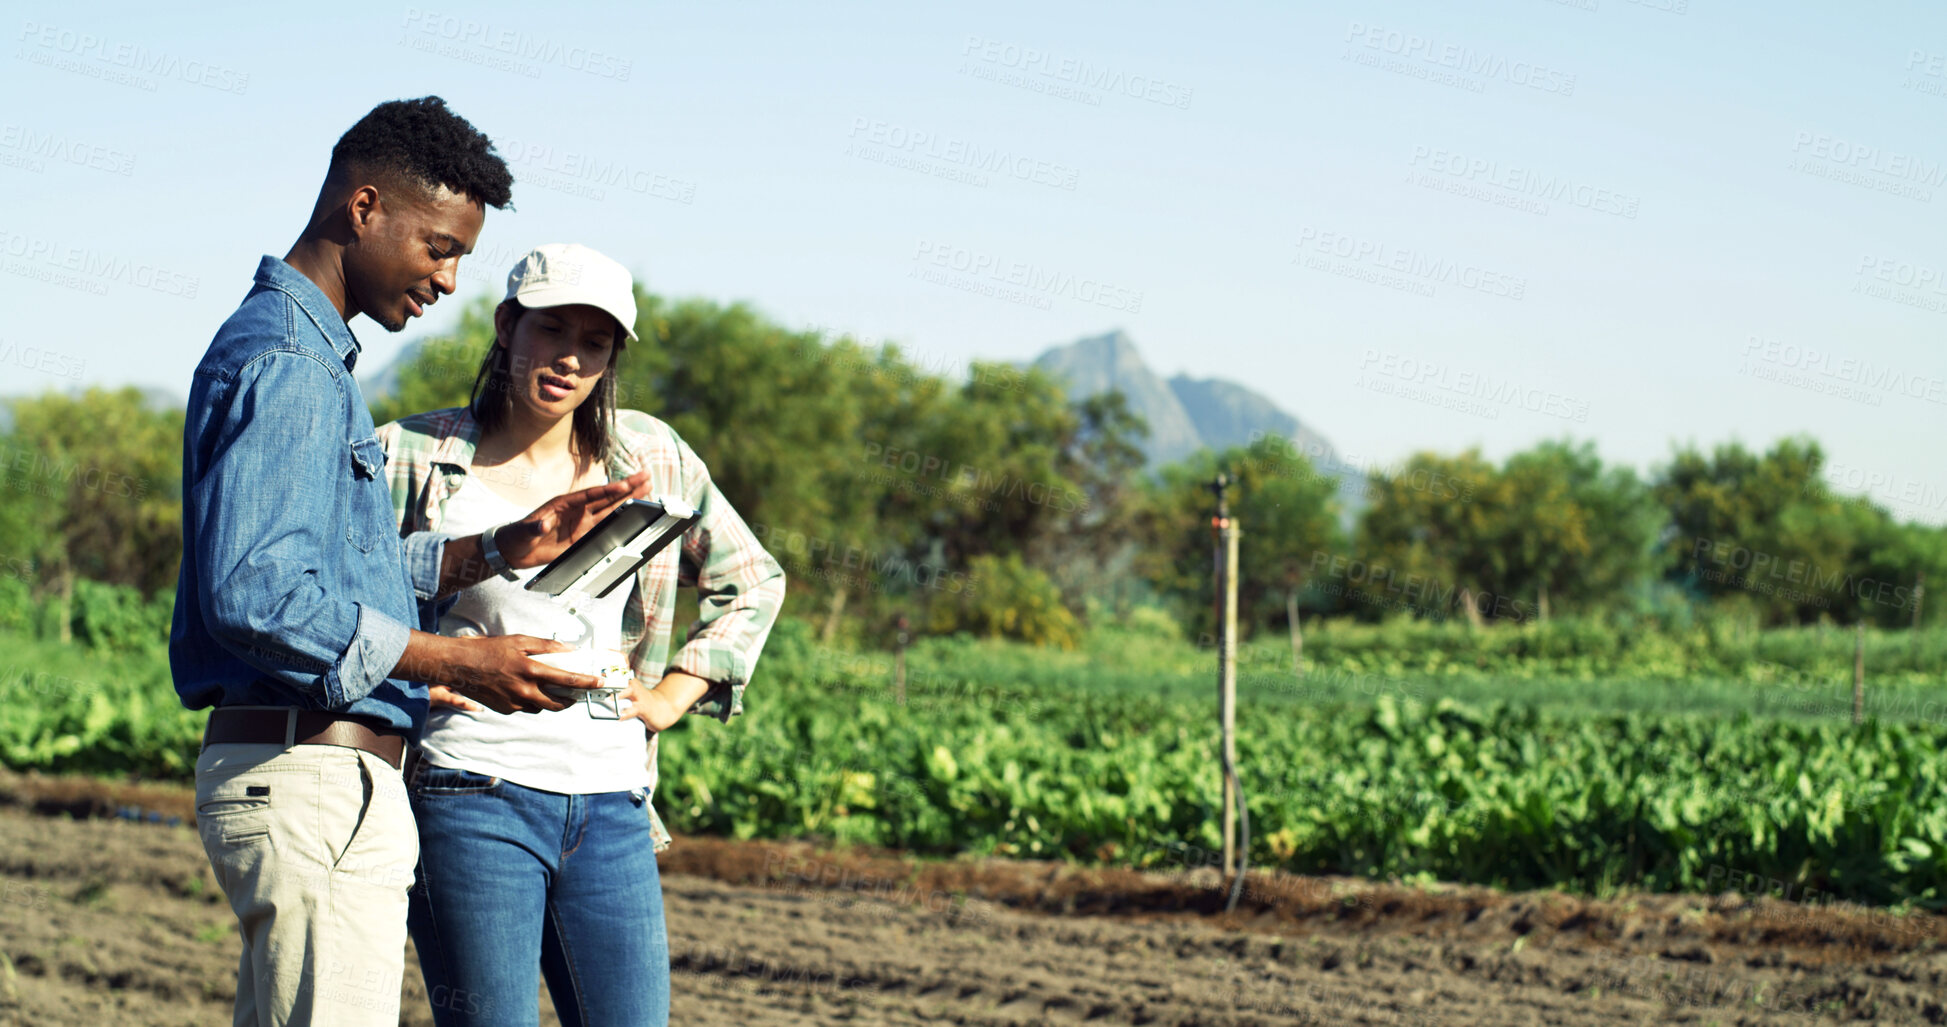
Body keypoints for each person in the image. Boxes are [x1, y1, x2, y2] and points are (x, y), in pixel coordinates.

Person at [173, 98, 651, 1027]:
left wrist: (497, 550)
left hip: (315, 774)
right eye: (438, 247)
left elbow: (329, 570)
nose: (447, 280)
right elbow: (258, 594)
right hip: (310, 774)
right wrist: (450, 661)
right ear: (363, 209)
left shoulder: (304, 357)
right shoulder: (290, 366)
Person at [376, 242, 786, 1027]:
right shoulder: (410, 454)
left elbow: (754, 578)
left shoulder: (651, 456)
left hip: (611, 806)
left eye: (593, 344)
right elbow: (335, 598)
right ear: (506, 326)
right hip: (468, 793)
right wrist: (415, 674)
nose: (569, 358)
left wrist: (672, 694)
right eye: (550, 330)